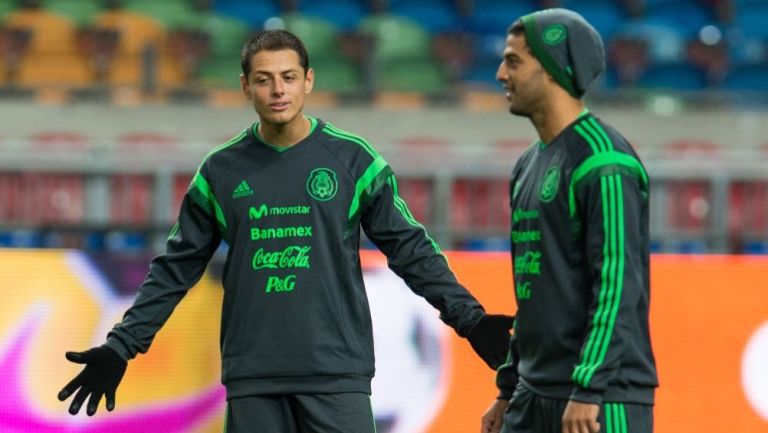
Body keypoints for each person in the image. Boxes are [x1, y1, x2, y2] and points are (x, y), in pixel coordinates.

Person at [56, 29, 514, 432]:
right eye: (264, 79)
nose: (278, 90)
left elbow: (411, 249)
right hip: (254, 376)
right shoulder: (220, 171)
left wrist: (468, 318)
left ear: (308, 81)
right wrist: (121, 346)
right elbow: (175, 270)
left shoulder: (354, 161)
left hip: (336, 375)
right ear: (245, 86)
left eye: (289, 77)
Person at [480, 9, 658, 433]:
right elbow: (532, 291)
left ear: (555, 68)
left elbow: (617, 283)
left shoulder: (604, 160)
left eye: (514, 61)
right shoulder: (528, 164)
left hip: (600, 396)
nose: (501, 73)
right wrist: (507, 388)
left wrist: (589, 389)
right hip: (534, 390)